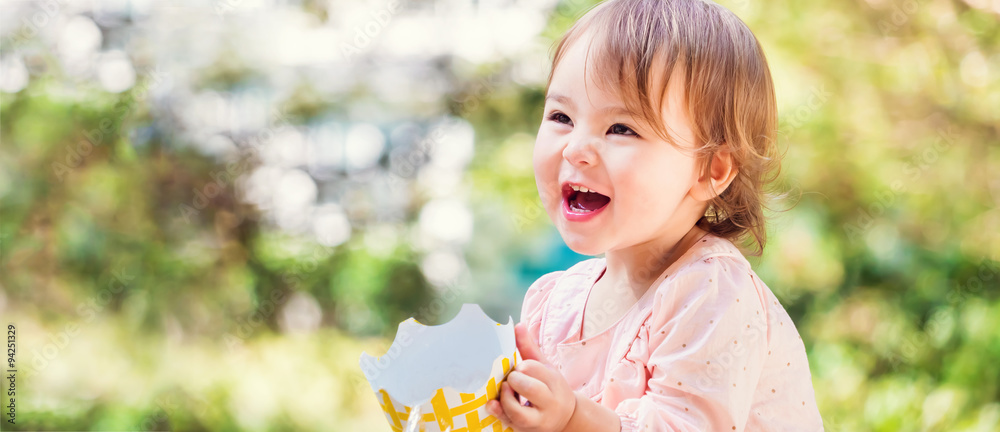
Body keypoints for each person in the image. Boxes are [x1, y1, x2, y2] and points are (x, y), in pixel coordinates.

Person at [484, 0, 824, 430]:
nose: (575, 149)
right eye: (561, 116)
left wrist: (571, 417)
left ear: (710, 169)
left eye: (621, 128)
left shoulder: (711, 294)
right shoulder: (552, 302)